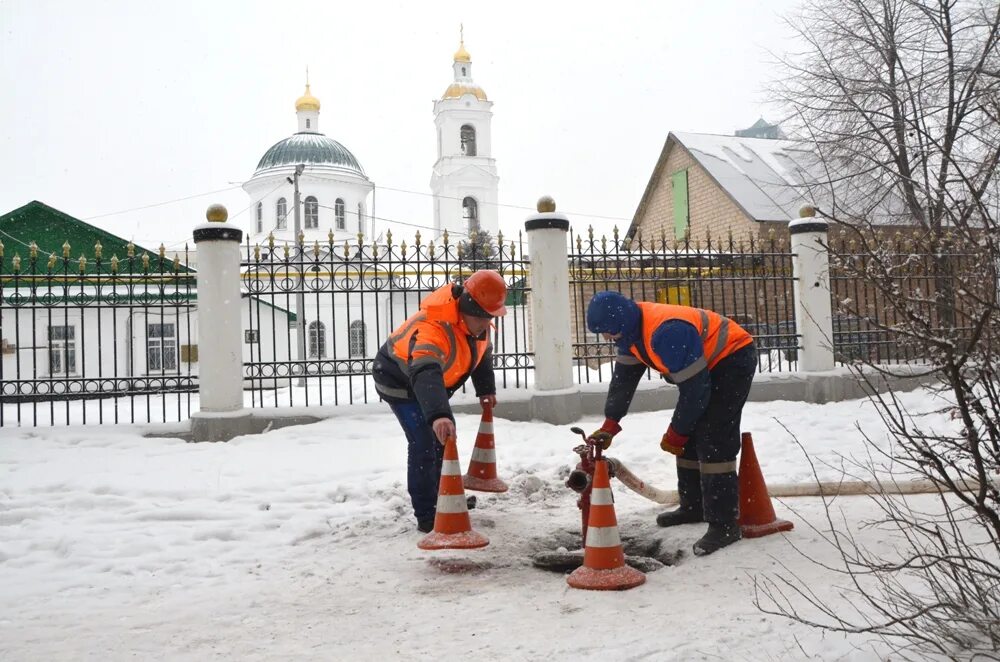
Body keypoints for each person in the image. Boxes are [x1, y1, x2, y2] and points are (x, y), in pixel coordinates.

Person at [585, 291, 756, 556]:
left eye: (607, 331)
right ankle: (694, 506)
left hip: (732, 358)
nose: (606, 337)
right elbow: (623, 382)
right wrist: (611, 422)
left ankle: (724, 525)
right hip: (706, 365)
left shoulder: (666, 332)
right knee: (689, 432)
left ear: (619, 323)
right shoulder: (630, 334)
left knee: (714, 436)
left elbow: (696, 393)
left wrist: (676, 432)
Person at [373, 270, 507, 533]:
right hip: (399, 380)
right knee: (425, 441)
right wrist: (437, 415)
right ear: (467, 306)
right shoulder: (434, 328)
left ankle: (446, 500)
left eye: (490, 316)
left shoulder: (478, 325)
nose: (486, 323)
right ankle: (427, 513)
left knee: (445, 442)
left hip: (432, 384)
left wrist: (486, 390)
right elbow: (425, 371)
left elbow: (482, 357)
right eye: (482, 316)